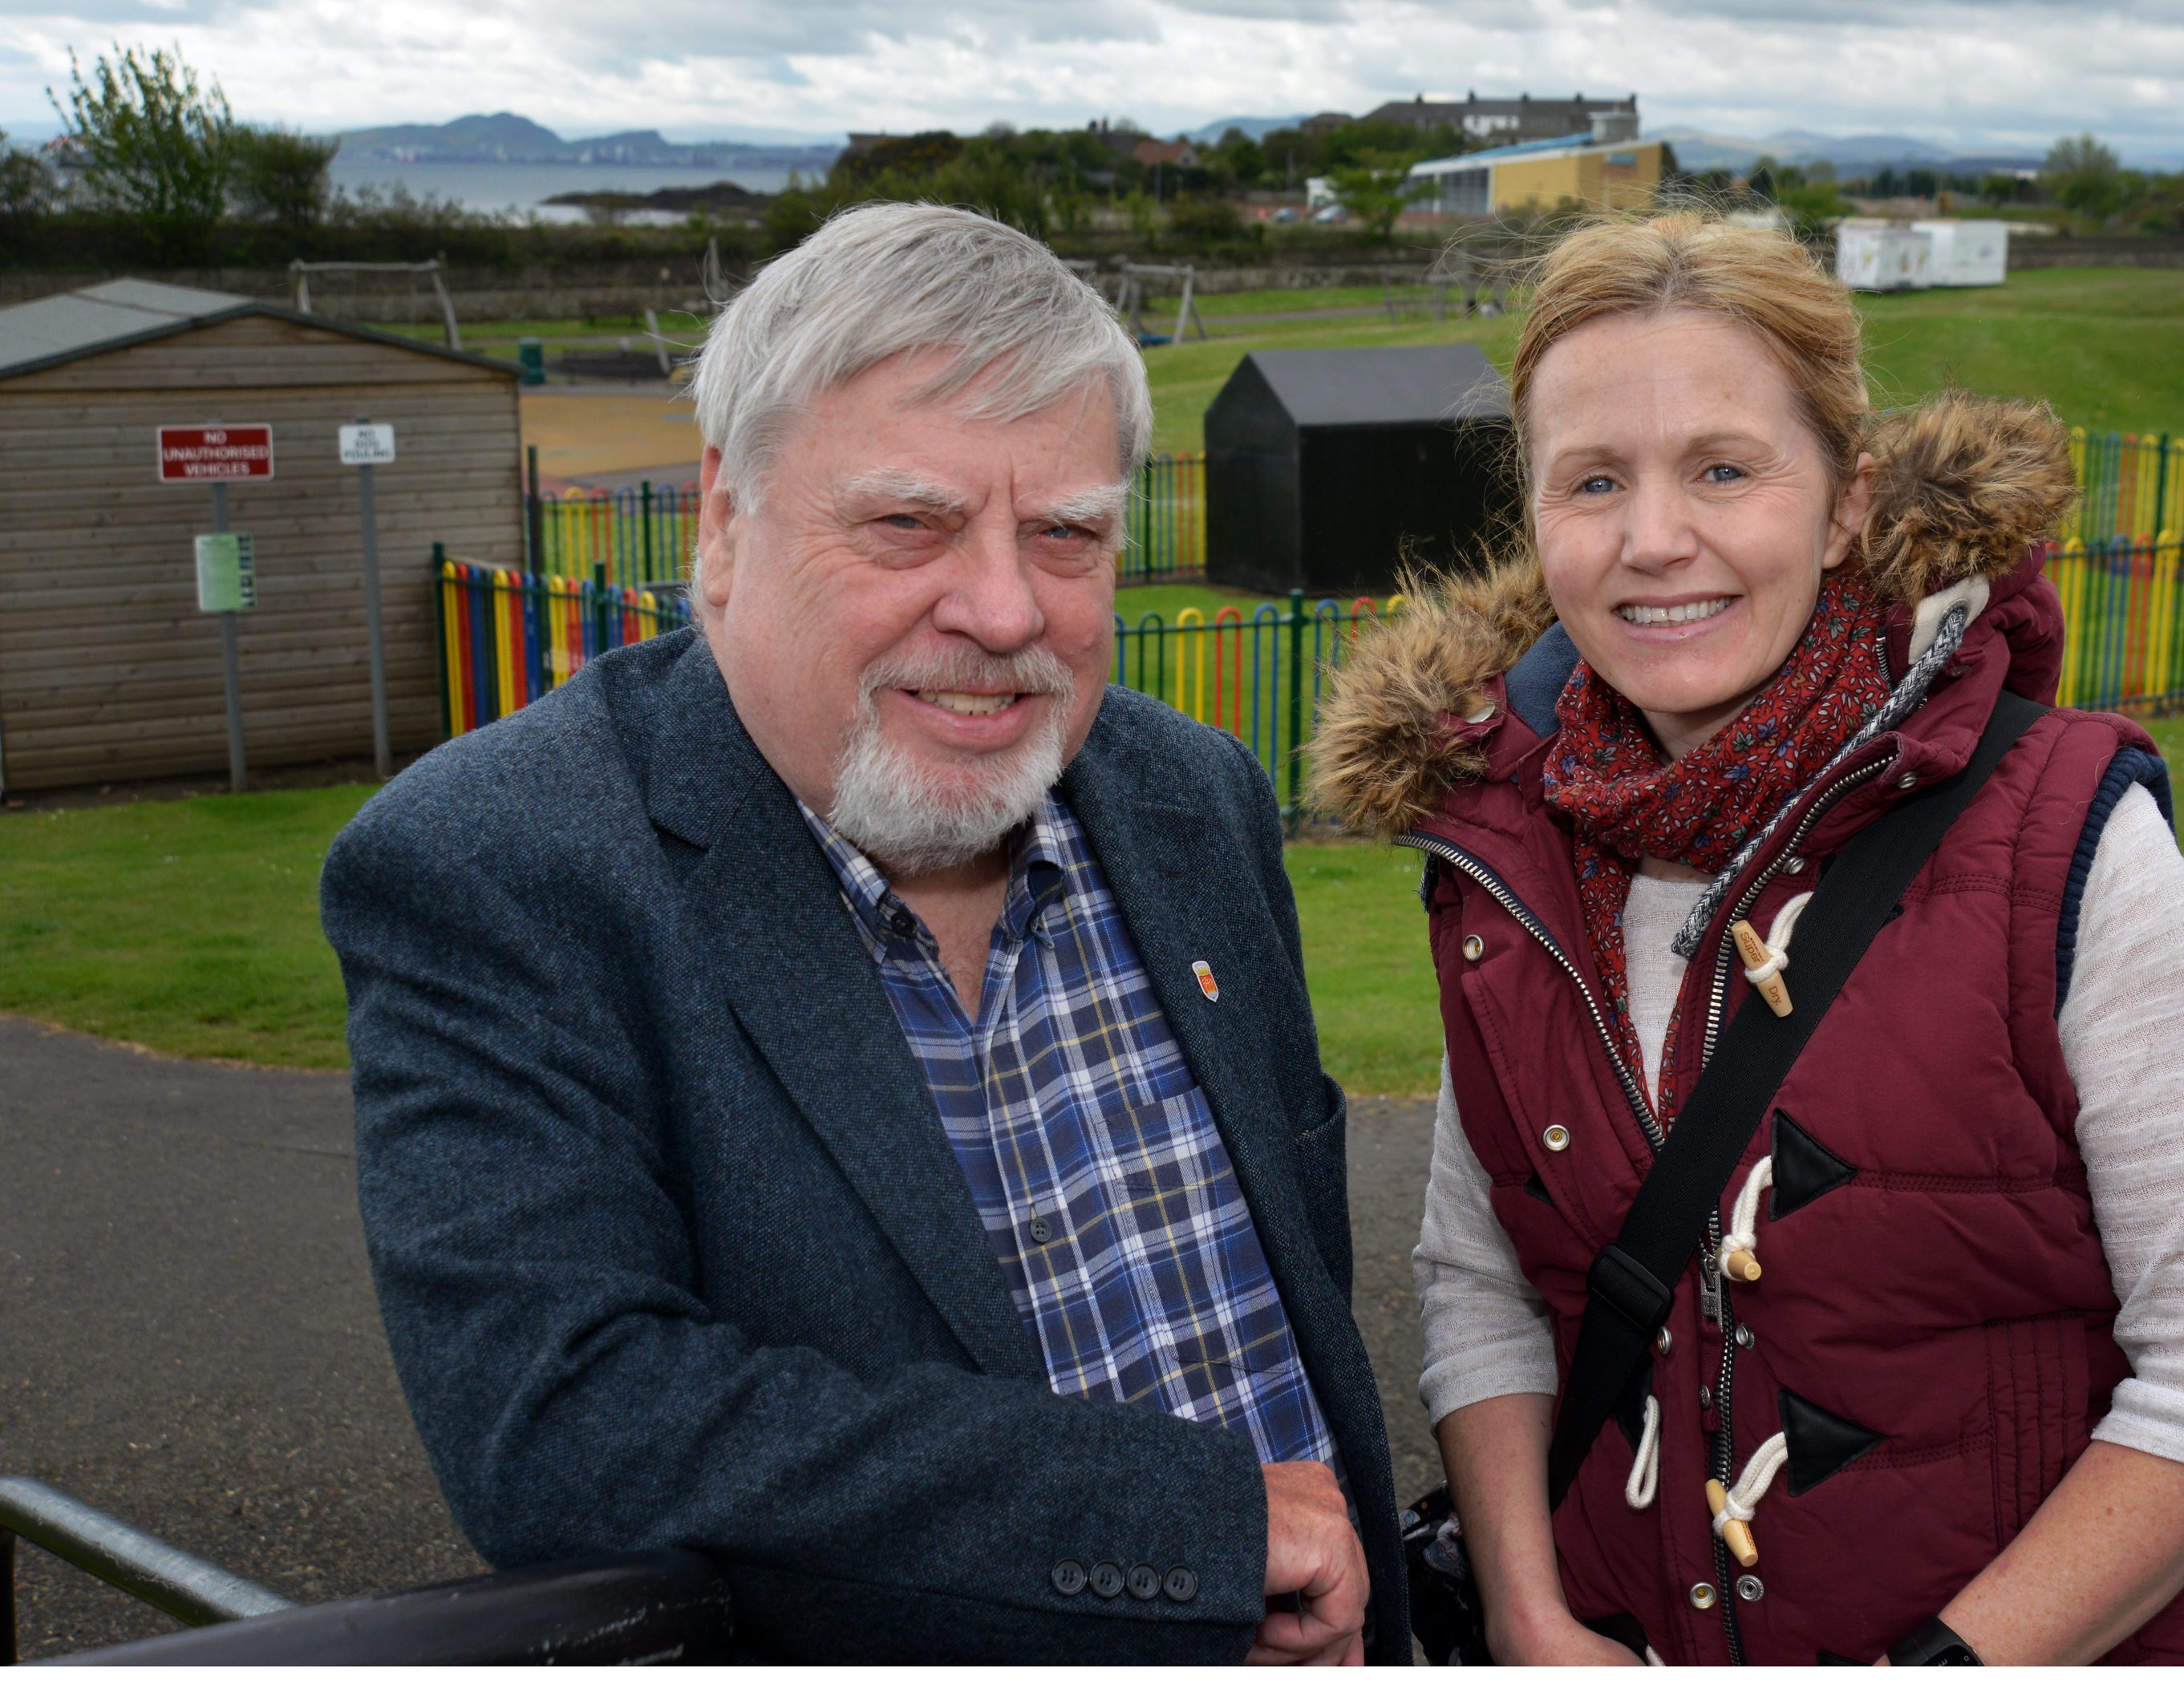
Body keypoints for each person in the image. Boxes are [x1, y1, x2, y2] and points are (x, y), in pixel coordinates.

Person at [322, 203, 1403, 1665]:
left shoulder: (1190, 796)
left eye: (1068, 533)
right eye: (908, 522)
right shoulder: (495, 865)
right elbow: (564, 1423)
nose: (1006, 607)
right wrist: (1189, 1527)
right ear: (722, 521)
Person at [1310, 212, 2184, 1666]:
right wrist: (1532, 1621)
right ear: (1533, 522)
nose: (1656, 540)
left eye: (1723, 468)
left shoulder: (2066, 836)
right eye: (1593, 481)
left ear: (1843, 501)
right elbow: (1483, 1285)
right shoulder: (1498, 863)